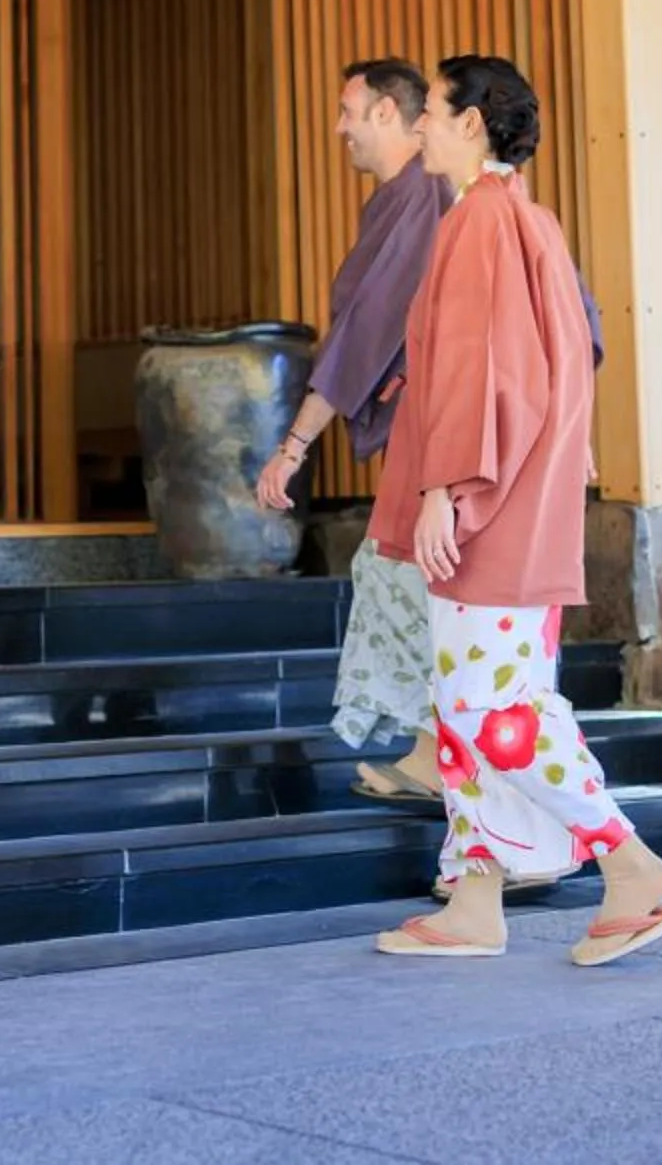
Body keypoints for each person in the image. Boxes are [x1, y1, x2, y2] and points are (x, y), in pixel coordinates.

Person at [372, 54, 662, 967]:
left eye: (432, 110)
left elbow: (485, 370)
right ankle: (475, 902)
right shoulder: (528, 221)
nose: (423, 126)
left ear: (472, 122)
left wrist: (447, 489)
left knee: (490, 711)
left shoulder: (481, 222)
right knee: (472, 703)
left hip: (489, 507)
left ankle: (631, 866)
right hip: (518, 498)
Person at [253, 60, 449, 800]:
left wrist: (296, 443)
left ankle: (465, 773)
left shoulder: (427, 196)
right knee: (408, 580)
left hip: (438, 434)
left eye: (349, 111)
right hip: (421, 431)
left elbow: (367, 329)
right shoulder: (405, 200)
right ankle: (435, 752)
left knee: (410, 576)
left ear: (392, 114)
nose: (339, 128)